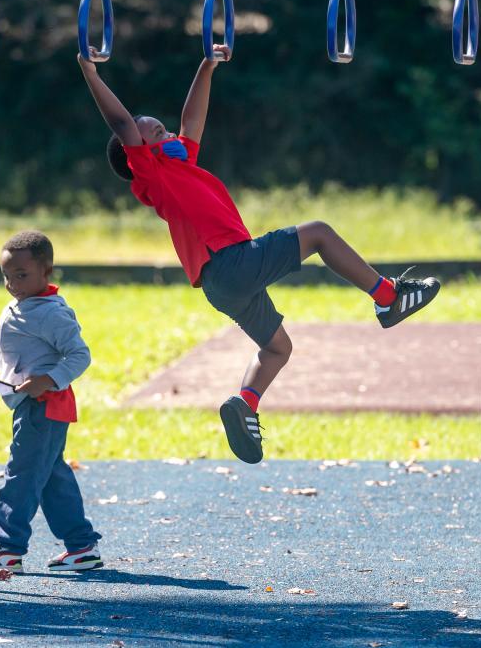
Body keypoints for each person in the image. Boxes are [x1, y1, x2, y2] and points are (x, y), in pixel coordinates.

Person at [77, 45, 441, 463]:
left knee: (278, 349)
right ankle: (388, 299)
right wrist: (90, 72)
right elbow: (121, 122)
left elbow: (192, 119)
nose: (164, 132)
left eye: (161, 128)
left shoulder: (179, 163)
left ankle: (245, 403)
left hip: (221, 284)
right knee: (319, 233)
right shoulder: (151, 173)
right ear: (135, 152)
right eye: (154, 132)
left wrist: (206, 66)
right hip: (233, 262)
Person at [0, 231, 102, 573]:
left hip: (45, 406)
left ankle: (7, 548)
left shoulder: (50, 313)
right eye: (6, 276)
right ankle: (82, 547)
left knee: (21, 473)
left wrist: (47, 380)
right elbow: (3, 355)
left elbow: (80, 355)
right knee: (49, 477)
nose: (12, 283)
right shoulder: (19, 307)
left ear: (46, 272)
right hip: (32, 407)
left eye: (21, 275)